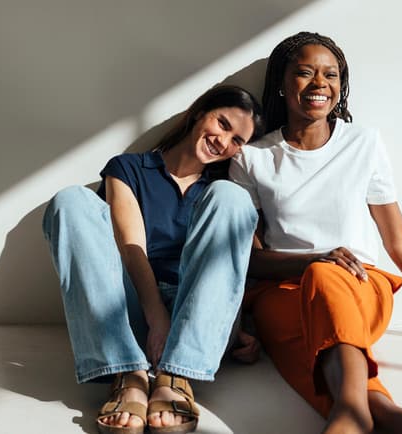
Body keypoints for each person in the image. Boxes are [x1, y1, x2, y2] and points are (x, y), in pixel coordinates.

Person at [228, 32, 402, 434]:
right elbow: (249, 257)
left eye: (331, 74)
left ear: (341, 86)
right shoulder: (252, 158)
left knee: (327, 282)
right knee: (324, 335)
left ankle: (349, 414)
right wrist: (313, 260)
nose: (319, 84)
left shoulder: (362, 143)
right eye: (305, 73)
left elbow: (399, 240)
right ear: (281, 81)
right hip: (283, 294)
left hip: (360, 287)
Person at [42, 84, 263, 434]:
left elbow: (241, 264)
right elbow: (131, 247)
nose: (224, 142)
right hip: (129, 318)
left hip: (195, 324)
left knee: (232, 197)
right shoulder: (129, 168)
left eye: (237, 140)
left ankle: (177, 375)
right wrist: (156, 316)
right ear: (198, 113)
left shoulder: (222, 193)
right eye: (222, 124)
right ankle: (128, 375)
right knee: (71, 200)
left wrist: (242, 324)